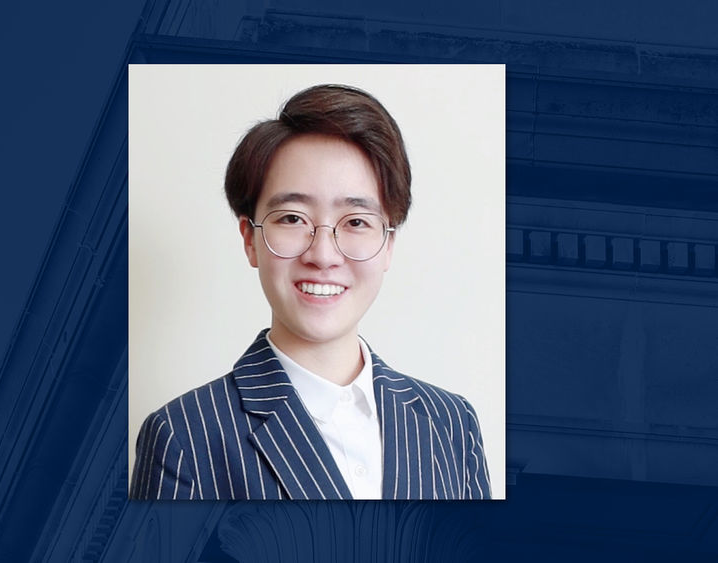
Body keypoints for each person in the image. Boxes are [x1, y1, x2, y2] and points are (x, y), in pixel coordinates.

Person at [130, 84, 491, 500]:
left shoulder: (451, 425)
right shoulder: (184, 438)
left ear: (388, 243)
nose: (323, 254)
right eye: (292, 218)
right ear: (250, 238)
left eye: (356, 222)